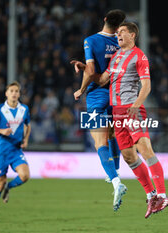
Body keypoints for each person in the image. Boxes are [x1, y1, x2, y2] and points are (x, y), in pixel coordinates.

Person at [75, 22, 168, 218]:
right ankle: (151, 194)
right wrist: (85, 68)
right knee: (128, 156)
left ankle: (162, 194)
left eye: (122, 32)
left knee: (144, 149)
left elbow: (146, 86)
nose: (118, 34)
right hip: (117, 114)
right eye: (117, 32)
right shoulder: (116, 57)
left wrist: (136, 105)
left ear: (133, 35)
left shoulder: (139, 56)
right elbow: (102, 80)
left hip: (132, 110)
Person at [71, 9, 127, 212]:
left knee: (99, 141)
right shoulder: (123, 43)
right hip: (118, 96)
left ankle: (116, 182)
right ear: (120, 25)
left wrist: (81, 89)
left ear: (104, 19)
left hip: (96, 96)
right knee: (113, 134)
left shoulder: (91, 40)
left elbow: (92, 71)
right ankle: (117, 168)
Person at [0, 81, 31, 224]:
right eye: (11, 91)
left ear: (19, 93)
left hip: (16, 150)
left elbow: (27, 125)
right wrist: (1, 131)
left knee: (25, 175)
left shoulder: (24, 109)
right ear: (6, 93)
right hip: (2, 151)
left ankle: (8, 187)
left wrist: (26, 139)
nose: (14, 93)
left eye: (16, 91)